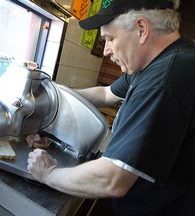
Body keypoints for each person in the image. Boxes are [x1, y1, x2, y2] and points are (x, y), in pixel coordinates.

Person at [27, 0, 195, 215]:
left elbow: (112, 178)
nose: (106, 50)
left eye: (110, 38)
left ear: (141, 29)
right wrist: (51, 95)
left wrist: (48, 173)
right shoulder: (160, 62)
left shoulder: (165, 78)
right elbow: (106, 94)